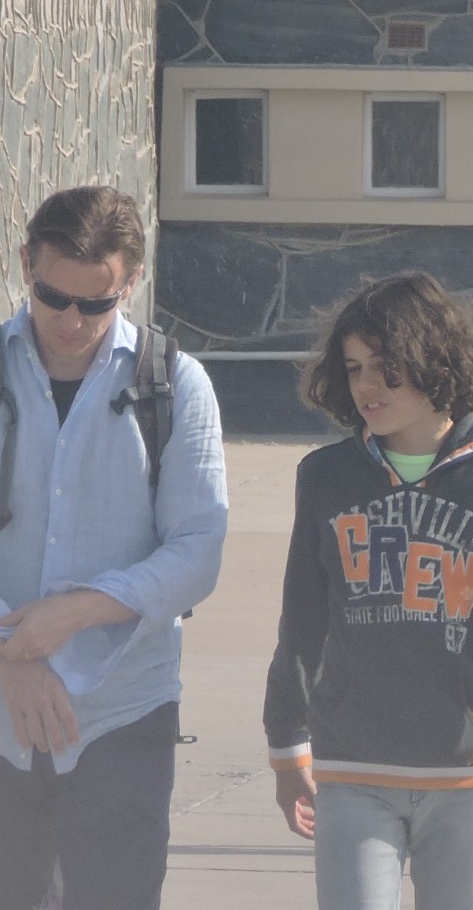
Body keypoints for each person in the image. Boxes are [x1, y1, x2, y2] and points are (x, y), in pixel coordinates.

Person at [267, 270, 473, 909]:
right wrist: (286, 745)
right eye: (355, 367)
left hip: (467, 769)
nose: (366, 385)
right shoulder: (326, 478)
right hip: (351, 766)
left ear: (434, 363)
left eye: (385, 368)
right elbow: (301, 623)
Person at [0, 186, 228, 910]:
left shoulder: (174, 385)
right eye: (52, 295)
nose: (71, 320)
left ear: (130, 283)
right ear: (25, 262)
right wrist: (14, 655)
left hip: (124, 713)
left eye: (96, 304)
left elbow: (197, 549)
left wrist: (74, 615)